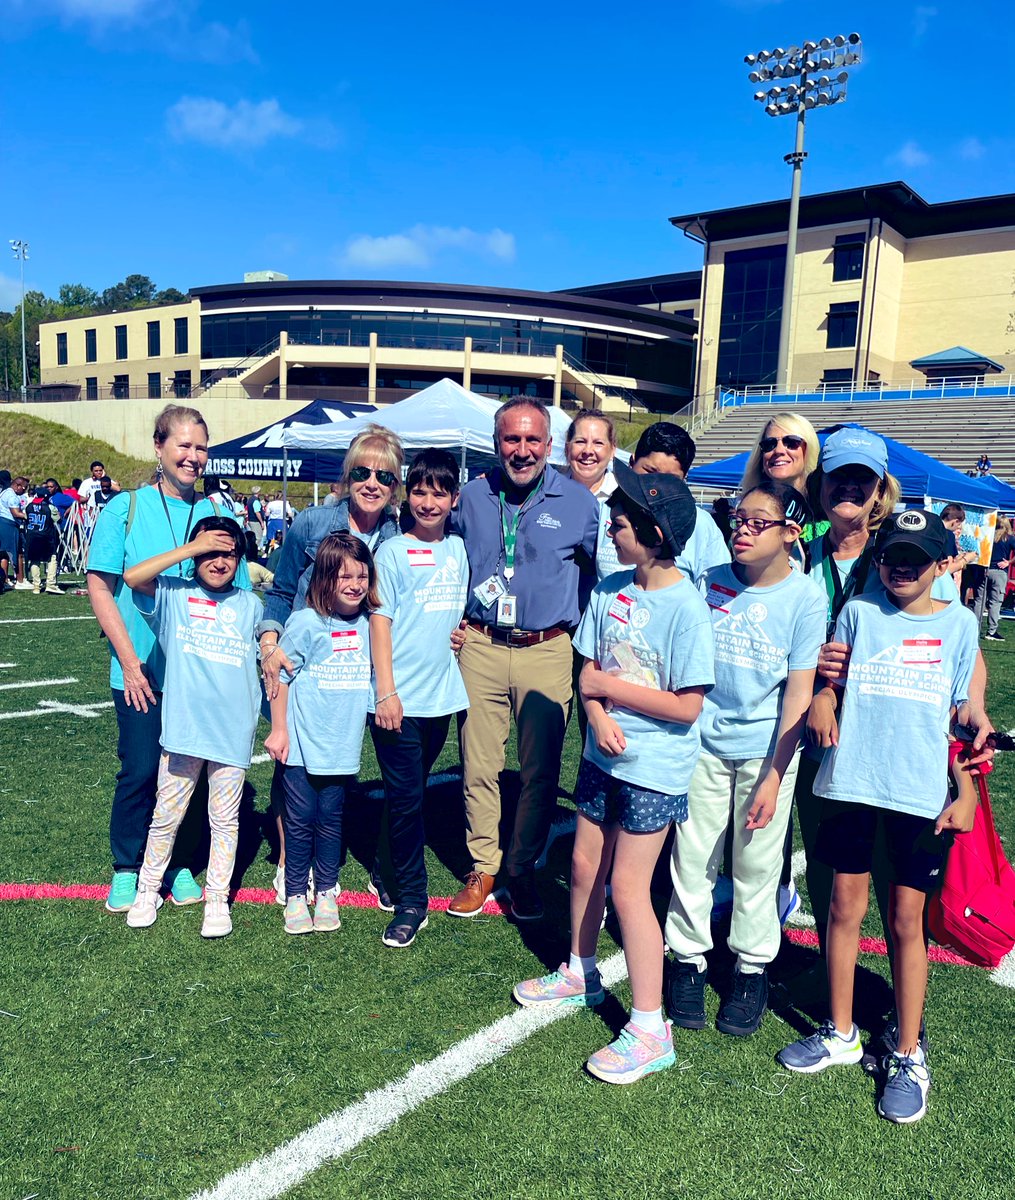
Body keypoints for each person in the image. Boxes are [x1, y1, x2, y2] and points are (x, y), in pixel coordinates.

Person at [512, 463, 713, 1084]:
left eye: (622, 522)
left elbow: (687, 704)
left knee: (629, 888)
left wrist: (607, 688)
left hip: (655, 767)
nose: (613, 527)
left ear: (653, 533)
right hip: (604, 757)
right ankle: (580, 969)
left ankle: (651, 1028)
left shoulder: (687, 607)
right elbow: (589, 673)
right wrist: (596, 713)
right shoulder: (610, 590)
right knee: (582, 867)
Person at [777, 510, 979, 1125]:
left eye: (918, 559)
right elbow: (831, 681)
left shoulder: (962, 625)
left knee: (904, 921)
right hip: (853, 782)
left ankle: (908, 1051)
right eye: (892, 554)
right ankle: (841, 1033)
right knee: (842, 907)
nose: (901, 567)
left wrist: (966, 786)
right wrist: (823, 696)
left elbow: (962, 717)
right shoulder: (859, 613)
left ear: (943, 566)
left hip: (918, 793)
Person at [664, 482, 826, 1037]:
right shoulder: (709, 581)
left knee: (757, 867)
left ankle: (752, 968)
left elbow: (799, 692)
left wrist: (774, 773)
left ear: (790, 533)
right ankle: (686, 961)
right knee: (693, 856)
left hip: (765, 754)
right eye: (738, 518)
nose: (742, 529)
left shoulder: (805, 597)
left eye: (759, 522)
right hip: (703, 744)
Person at [87, 404, 251, 913]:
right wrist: (131, 663)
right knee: (139, 769)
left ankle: (180, 862)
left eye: (201, 447)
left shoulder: (220, 512)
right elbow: (102, 585)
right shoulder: (126, 508)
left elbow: (240, 596)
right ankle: (127, 867)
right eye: (183, 445)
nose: (193, 456)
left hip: (201, 678)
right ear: (158, 447)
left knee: (193, 774)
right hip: (141, 671)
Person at [449, 397, 600, 920]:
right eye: (511, 439)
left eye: (532, 439)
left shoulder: (580, 503)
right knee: (479, 764)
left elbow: (598, 576)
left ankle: (522, 868)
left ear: (549, 444)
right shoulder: (470, 496)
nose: (522, 449)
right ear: (496, 445)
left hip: (547, 648)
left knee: (539, 771)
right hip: (482, 645)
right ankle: (483, 865)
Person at [257, 425, 402, 903]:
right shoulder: (312, 522)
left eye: (385, 475)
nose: (372, 482)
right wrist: (269, 638)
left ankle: (340, 861)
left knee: (341, 766)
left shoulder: (397, 534)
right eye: (362, 471)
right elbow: (279, 589)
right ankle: (287, 860)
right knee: (290, 766)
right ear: (347, 474)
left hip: (356, 669)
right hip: (303, 665)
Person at [123, 518, 261, 939]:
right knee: (167, 815)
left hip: (232, 733)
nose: (219, 562)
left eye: (229, 554)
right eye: (210, 553)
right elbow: (133, 577)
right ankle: (147, 889)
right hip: (184, 729)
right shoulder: (175, 595)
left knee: (225, 820)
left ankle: (217, 899)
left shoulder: (251, 605)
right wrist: (189, 549)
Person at [369, 449, 469, 948]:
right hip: (398, 701)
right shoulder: (390, 553)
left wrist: (462, 632)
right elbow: (380, 623)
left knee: (411, 793)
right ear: (407, 495)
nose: (428, 502)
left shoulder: (459, 549)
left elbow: (453, 614)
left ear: (454, 497)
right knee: (408, 800)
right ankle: (413, 898)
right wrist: (386, 691)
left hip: (441, 697)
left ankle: (386, 868)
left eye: (439, 492)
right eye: (420, 491)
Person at [265, 532, 376, 935]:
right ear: (323, 579)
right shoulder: (306, 622)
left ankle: (326, 890)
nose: (354, 585)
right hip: (300, 745)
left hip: (342, 746)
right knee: (299, 820)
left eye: (362, 576)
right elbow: (279, 674)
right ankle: (296, 893)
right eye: (344, 576)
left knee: (331, 819)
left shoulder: (369, 624)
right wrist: (280, 731)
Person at [594, 423, 730, 585]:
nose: (657, 486)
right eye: (650, 472)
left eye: (670, 479)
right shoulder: (605, 509)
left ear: (684, 478)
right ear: (632, 461)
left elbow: (716, 590)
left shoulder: (702, 524)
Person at [739, 411, 825, 548]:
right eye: (769, 444)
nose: (779, 450)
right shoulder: (743, 512)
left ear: (809, 449)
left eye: (791, 442)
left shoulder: (828, 511)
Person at [973, 515, 1014, 642]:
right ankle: (991, 631)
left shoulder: (987, 535)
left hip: (983, 569)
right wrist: (1009, 562)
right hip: (999, 571)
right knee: (995, 602)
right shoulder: (1009, 538)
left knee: (979, 600)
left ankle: (974, 629)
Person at [24, 485, 63, 595]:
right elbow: (57, 520)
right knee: (52, 558)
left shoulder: (29, 506)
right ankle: (51, 584)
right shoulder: (50, 507)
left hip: (31, 536)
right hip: (46, 537)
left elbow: (27, 519)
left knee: (34, 560)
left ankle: (36, 586)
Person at [1, 475, 31, 588]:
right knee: (17, 553)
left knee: (4, 553)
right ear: (17, 486)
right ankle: (20, 580)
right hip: (9, 524)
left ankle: (3, 580)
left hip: (2, 523)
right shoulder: (12, 496)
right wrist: (27, 516)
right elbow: (16, 513)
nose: (24, 490)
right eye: (24, 487)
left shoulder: (4, 492)